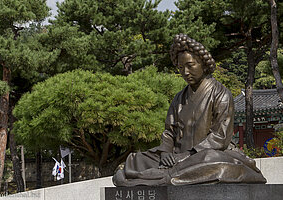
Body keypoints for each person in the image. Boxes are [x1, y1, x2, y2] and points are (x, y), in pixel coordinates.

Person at [113, 34, 266, 186]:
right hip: (177, 155)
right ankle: (165, 174)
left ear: (203, 64)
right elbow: (169, 132)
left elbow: (220, 136)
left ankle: (164, 176)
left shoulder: (221, 93)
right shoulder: (179, 98)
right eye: (180, 67)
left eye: (190, 65)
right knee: (137, 159)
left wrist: (188, 155)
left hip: (205, 153)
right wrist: (166, 152)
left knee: (212, 160)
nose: (185, 72)